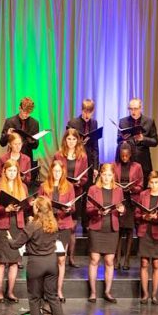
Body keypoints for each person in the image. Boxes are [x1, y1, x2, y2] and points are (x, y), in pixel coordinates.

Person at [8, 196, 67, 315]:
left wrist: (9, 238)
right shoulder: (53, 223)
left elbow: (15, 245)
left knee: (34, 298)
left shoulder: (32, 225)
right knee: (52, 297)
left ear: (37, 208)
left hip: (36, 264)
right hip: (51, 263)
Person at [86, 163, 125, 303]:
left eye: (109, 175)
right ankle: (93, 292)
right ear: (100, 175)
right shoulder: (93, 189)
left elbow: (120, 206)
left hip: (111, 229)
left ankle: (107, 292)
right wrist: (98, 211)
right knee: (95, 260)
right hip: (97, 228)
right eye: (104, 174)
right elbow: (88, 209)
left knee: (109, 261)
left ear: (113, 175)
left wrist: (122, 210)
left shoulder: (118, 190)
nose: (107, 177)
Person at [38, 160, 76, 303]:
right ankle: (45, 290)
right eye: (55, 171)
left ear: (63, 172)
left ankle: (58, 290)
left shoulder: (69, 186)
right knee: (47, 259)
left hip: (63, 226)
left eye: (59, 171)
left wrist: (68, 208)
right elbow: (39, 205)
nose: (57, 174)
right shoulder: (44, 186)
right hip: (48, 227)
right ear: (51, 172)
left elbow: (73, 207)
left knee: (61, 259)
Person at [0, 159, 27, 303]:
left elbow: (26, 205)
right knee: (1, 261)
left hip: (17, 226)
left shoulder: (22, 186)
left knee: (14, 261)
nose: (12, 173)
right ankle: (0, 292)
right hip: (3, 225)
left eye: (14, 171)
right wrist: (5, 209)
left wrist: (22, 206)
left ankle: (10, 292)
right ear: (4, 172)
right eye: (9, 170)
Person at [134, 171, 158, 305]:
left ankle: (154, 295)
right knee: (144, 263)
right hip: (145, 232)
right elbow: (137, 214)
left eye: (156, 182)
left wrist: (157, 217)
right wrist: (144, 217)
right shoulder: (143, 195)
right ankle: (145, 294)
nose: (154, 185)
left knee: (156, 264)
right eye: (151, 182)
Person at [53, 128, 89, 253]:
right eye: (69, 139)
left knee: (72, 227)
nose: (71, 141)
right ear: (65, 140)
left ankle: (71, 257)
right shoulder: (58, 155)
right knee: (59, 225)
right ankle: (59, 254)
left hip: (76, 193)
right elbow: (53, 173)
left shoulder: (82, 156)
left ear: (77, 141)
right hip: (61, 193)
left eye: (74, 139)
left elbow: (85, 177)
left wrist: (79, 182)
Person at [66, 99, 99, 232]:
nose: (87, 115)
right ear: (81, 110)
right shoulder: (73, 122)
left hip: (89, 162)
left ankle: (85, 223)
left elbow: (96, 146)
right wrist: (80, 142)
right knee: (74, 192)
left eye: (89, 112)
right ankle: (72, 221)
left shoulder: (94, 123)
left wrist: (96, 166)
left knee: (87, 193)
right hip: (75, 161)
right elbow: (67, 141)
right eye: (85, 111)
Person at [113, 143, 144, 271]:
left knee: (130, 231)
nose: (124, 157)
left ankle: (127, 259)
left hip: (131, 201)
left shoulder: (137, 167)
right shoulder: (115, 166)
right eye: (122, 155)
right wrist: (119, 188)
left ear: (130, 154)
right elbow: (112, 183)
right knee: (119, 231)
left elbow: (141, 185)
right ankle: (117, 259)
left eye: (127, 155)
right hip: (120, 201)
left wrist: (131, 189)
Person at [0, 97, 40, 182]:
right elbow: (2, 142)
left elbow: (36, 145)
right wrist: (7, 135)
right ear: (19, 108)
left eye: (29, 113)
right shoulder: (10, 121)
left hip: (26, 159)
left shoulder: (34, 123)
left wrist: (32, 141)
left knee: (25, 184)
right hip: (12, 157)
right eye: (24, 112)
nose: (26, 115)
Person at [117, 98, 158, 181]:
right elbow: (118, 140)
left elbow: (155, 142)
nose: (133, 111)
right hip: (126, 160)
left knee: (143, 186)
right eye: (130, 109)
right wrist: (123, 139)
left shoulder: (149, 121)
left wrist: (143, 139)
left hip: (143, 160)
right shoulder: (123, 121)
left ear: (140, 108)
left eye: (135, 109)